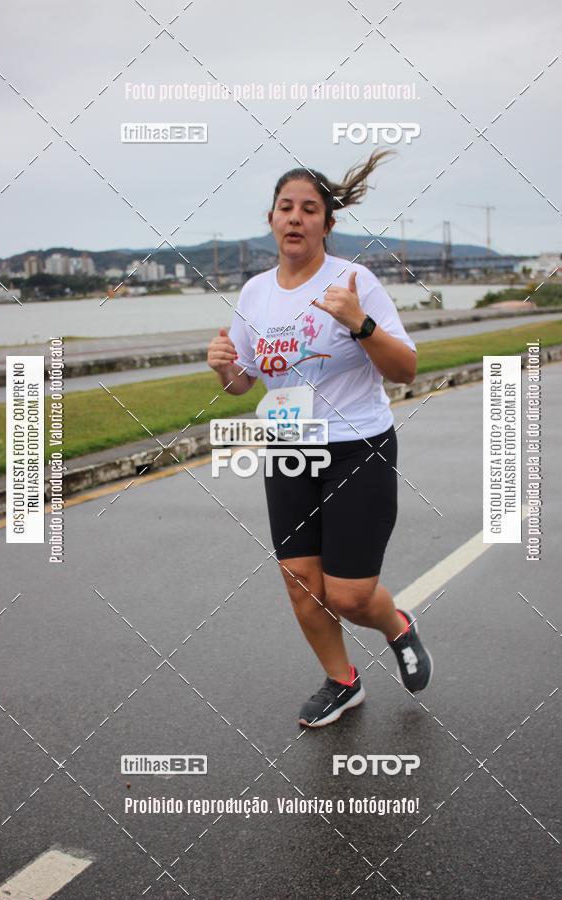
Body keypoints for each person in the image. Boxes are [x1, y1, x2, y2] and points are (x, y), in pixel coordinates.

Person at [207, 151, 432, 727]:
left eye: (310, 210)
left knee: (349, 595)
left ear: (326, 226)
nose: (296, 218)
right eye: (287, 207)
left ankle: (394, 624)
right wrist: (222, 367)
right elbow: (243, 383)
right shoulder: (256, 294)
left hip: (358, 446)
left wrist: (360, 322)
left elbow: (405, 369)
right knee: (303, 582)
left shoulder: (355, 281)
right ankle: (342, 681)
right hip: (287, 446)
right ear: (272, 218)